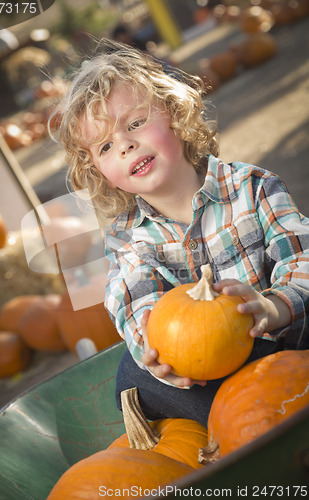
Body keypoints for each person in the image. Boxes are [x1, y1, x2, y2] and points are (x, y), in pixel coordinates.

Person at [56, 42, 309, 427]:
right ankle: (244, 421)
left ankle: (262, 413)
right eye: (105, 146)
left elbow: (301, 255)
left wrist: (274, 307)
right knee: (131, 377)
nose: (124, 145)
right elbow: (134, 301)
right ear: (99, 171)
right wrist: (157, 355)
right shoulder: (128, 238)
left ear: (174, 113)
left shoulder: (251, 186)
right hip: (212, 376)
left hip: (287, 343)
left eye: (135, 123)